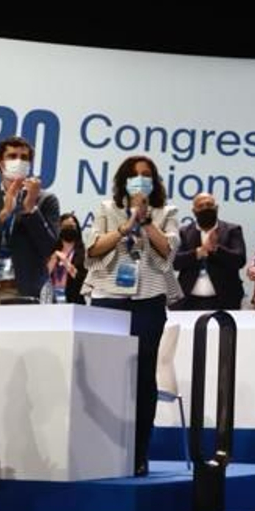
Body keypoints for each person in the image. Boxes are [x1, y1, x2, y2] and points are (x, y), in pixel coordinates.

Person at [84, 155, 181, 476]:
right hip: (108, 299)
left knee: (142, 379)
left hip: (148, 301)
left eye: (146, 176)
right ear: (123, 180)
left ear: (154, 182)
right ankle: (99, 449)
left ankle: (138, 453)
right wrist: (126, 226)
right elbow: (94, 248)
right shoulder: (106, 209)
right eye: (134, 175)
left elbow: (169, 249)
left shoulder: (167, 213)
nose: (140, 180)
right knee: (105, 376)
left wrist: (145, 220)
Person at [0, 135, 60, 304]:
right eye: (12, 156)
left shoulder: (45, 200)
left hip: (25, 291)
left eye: (24, 158)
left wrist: (31, 207)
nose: (19, 161)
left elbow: (49, 248)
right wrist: (4, 213)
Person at [171, 192, 246, 311]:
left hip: (224, 301)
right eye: (201, 206)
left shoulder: (232, 230)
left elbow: (240, 260)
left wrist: (216, 248)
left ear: (216, 208)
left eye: (209, 205)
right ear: (194, 211)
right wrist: (199, 252)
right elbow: (175, 262)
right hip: (188, 302)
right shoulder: (184, 232)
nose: (205, 208)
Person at [45, 212, 88, 305]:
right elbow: (43, 276)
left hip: (74, 302)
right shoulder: (52, 251)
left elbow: (82, 279)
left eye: (72, 226)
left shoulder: (83, 253)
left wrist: (66, 261)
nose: (69, 229)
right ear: (60, 228)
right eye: (65, 226)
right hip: (52, 301)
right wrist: (53, 260)